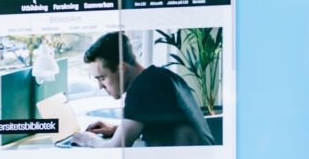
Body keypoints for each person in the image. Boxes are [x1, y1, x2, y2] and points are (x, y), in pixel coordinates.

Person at [71, 32, 215, 148]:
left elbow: (115, 149)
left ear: (122, 68)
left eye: (102, 78)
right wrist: (118, 130)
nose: (100, 86)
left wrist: (89, 140)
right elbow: (163, 126)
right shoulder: (162, 76)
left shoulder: (142, 89)